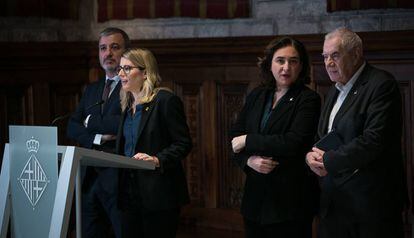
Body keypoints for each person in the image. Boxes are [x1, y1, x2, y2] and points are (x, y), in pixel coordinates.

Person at [306, 27, 406, 238]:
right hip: (335, 203)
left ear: (356, 54)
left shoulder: (381, 84)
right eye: (325, 57)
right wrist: (311, 156)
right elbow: (323, 135)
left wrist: (328, 161)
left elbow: (373, 141)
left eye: (335, 55)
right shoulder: (334, 89)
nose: (328, 63)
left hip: (371, 206)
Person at [230, 37, 321, 238]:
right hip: (255, 202)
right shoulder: (257, 95)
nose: (286, 67)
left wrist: (249, 141)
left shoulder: (308, 99)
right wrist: (248, 161)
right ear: (269, 64)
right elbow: (235, 138)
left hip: (290, 204)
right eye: (280, 60)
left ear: (302, 66)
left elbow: (293, 142)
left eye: (293, 61)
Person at [114, 48, 192, 238]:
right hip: (129, 194)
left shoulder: (165, 101)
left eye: (127, 68)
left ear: (145, 72)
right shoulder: (127, 106)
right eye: (119, 69)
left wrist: (157, 159)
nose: (120, 74)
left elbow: (183, 143)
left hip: (159, 194)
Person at [66, 27, 130, 238]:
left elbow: (121, 124)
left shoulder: (131, 87)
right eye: (103, 48)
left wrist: (90, 121)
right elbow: (72, 126)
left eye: (114, 47)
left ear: (126, 52)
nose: (108, 53)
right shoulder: (92, 89)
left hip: (118, 181)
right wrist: (96, 136)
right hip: (88, 178)